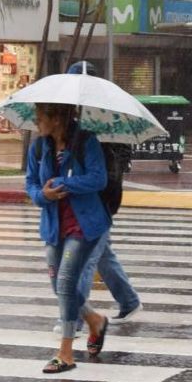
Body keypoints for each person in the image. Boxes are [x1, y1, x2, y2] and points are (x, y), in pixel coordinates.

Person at [25, 102, 109, 373]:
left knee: (65, 283)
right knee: (59, 288)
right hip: (53, 226)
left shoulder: (86, 142)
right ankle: (95, 320)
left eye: (41, 118)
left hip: (83, 226)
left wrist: (66, 183)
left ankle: (65, 352)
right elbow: (31, 185)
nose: (37, 123)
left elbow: (99, 179)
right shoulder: (39, 148)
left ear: (57, 119)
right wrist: (43, 196)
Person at [67, 60, 142, 329]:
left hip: (101, 199)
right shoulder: (81, 120)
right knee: (102, 254)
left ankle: (74, 319)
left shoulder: (107, 119)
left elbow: (110, 169)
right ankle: (129, 300)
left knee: (86, 259)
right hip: (95, 198)